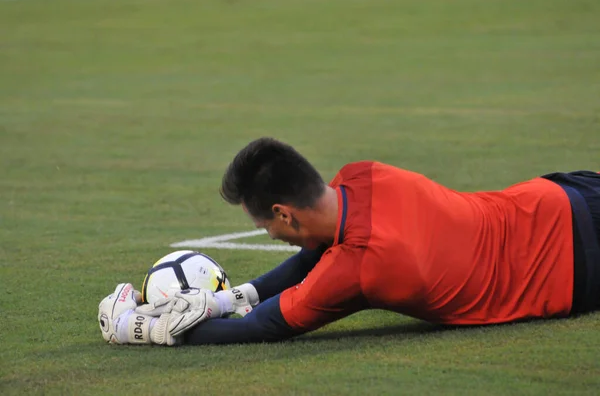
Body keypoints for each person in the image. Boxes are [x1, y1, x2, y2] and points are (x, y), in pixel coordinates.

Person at [98, 137, 600, 346]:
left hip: (578, 265)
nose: (269, 235)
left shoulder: (360, 269)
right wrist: (231, 297)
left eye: (265, 226)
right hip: (558, 193)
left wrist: (138, 329)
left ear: (284, 214)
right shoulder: (363, 176)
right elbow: (315, 253)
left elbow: (266, 328)